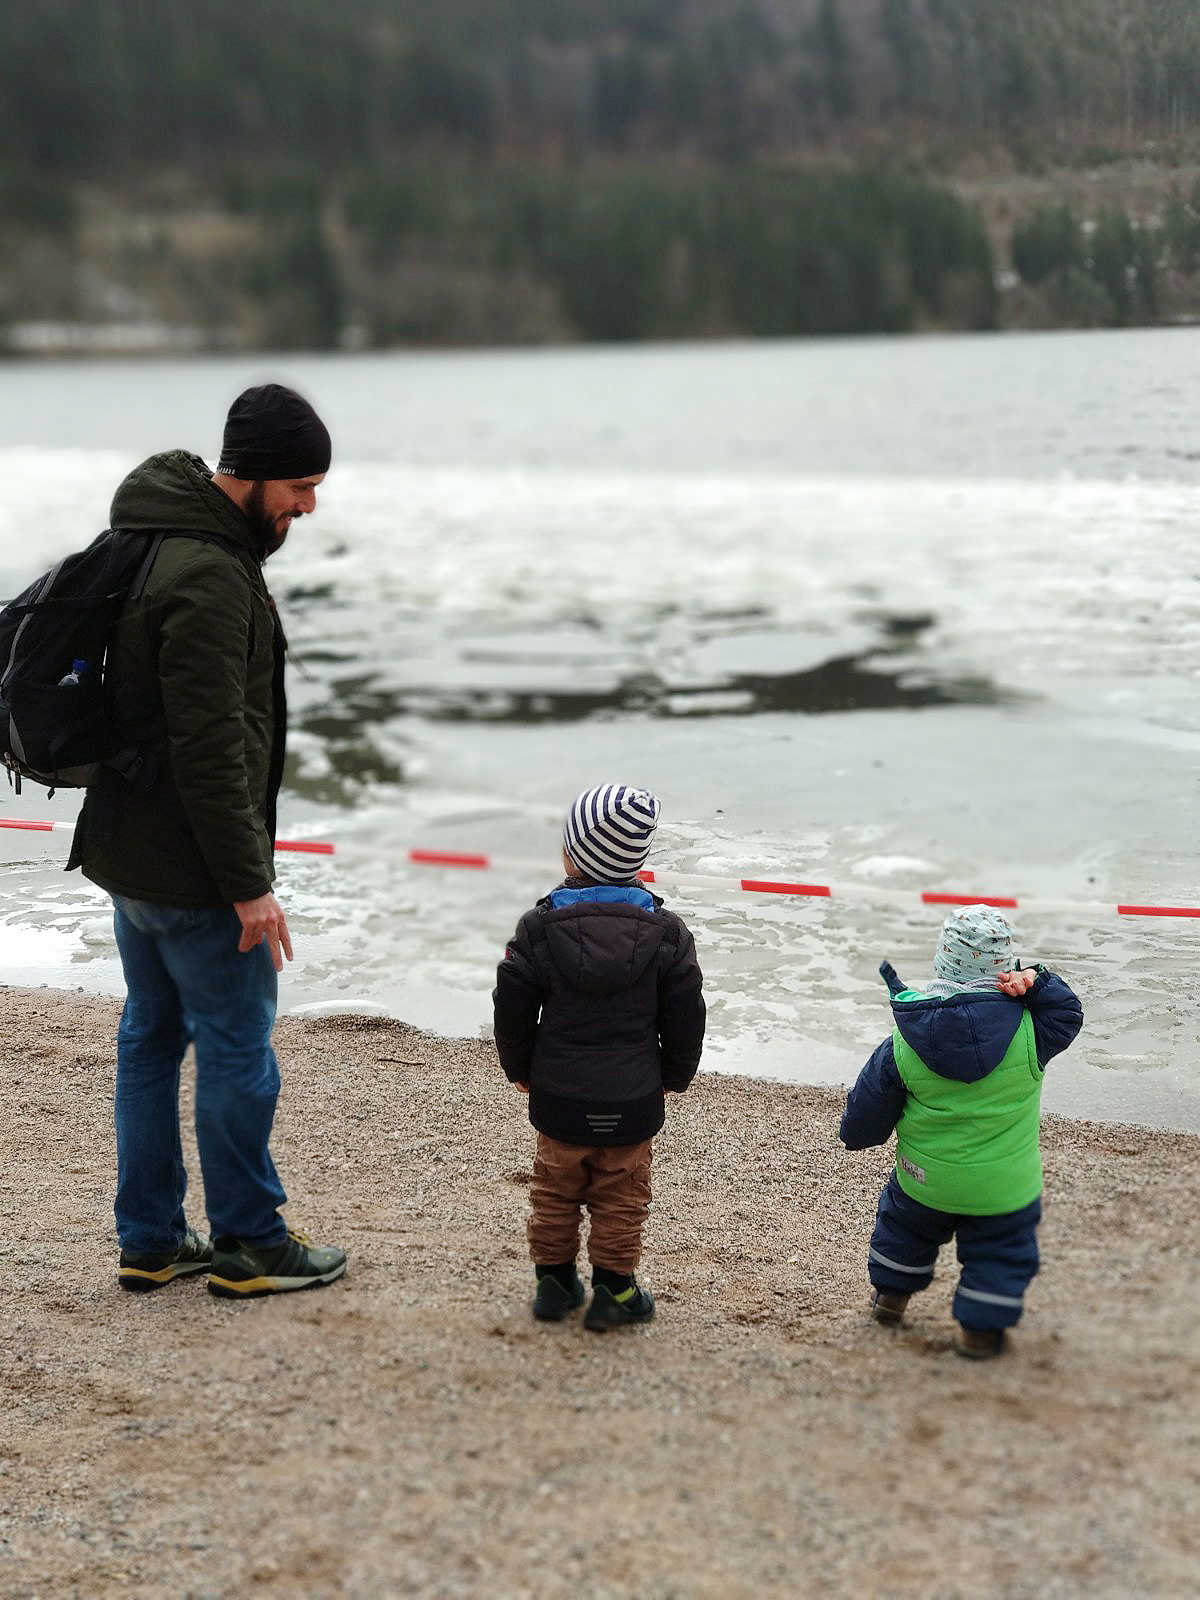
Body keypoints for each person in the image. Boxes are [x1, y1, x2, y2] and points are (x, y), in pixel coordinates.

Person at [69, 383, 347, 1298]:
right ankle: (251, 1242)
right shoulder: (211, 576)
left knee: (149, 1039)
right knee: (237, 1047)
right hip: (190, 874)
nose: (308, 505)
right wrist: (249, 887)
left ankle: (149, 1240)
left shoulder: (154, 538)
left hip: (128, 855)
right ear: (258, 474)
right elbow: (209, 751)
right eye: (301, 485)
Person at [493, 784, 705, 1330]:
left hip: (559, 1096)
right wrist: (675, 1076)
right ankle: (615, 1290)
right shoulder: (668, 934)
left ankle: (555, 1283)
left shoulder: (538, 929)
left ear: (572, 854)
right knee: (621, 1196)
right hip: (632, 1098)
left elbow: (512, 1003)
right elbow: (686, 1011)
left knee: (554, 1190)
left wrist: (519, 1069)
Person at [839, 904, 1083, 1358]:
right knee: (1001, 1253)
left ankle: (891, 1294)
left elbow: (867, 1112)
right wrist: (1038, 980)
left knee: (904, 1228)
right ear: (1005, 971)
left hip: (925, 1180)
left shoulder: (904, 1042)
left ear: (940, 965)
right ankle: (981, 1331)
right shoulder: (1036, 1031)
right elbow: (1069, 1012)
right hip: (1004, 1187)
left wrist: (855, 1134)